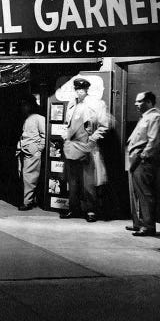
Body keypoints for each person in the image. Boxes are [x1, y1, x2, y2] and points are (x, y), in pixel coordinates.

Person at [60, 78, 108, 222]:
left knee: (88, 182)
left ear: (87, 89)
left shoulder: (97, 104)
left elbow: (104, 126)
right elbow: (66, 124)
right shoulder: (71, 104)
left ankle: (90, 211)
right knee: (73, 181)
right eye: (77, 89)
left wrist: (92, 139)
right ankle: (73, 209)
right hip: (71, 147)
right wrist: (65, 136)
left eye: (82, 89)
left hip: (87, 148)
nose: (79, 91)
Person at [126, 91, 160, 237]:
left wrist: (143, 156)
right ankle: (138, 223)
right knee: (136, 193)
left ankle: (148, 225)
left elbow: (154, 141)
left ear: (149, 102)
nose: (136, 104)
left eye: (139, 101)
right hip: (135, 159)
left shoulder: (156, 117)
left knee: (144, 193)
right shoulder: (146, 117)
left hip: (143, 161)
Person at [16, 96, 45, 211]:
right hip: (23, 150)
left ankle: (27, 202)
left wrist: (38, 149)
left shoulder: (38, 118)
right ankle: (30, 199)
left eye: (25, 104)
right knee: (23, 176)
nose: (23, 107)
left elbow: (44, 135)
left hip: (32, 152)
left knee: (29, 178)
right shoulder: (26, 118)